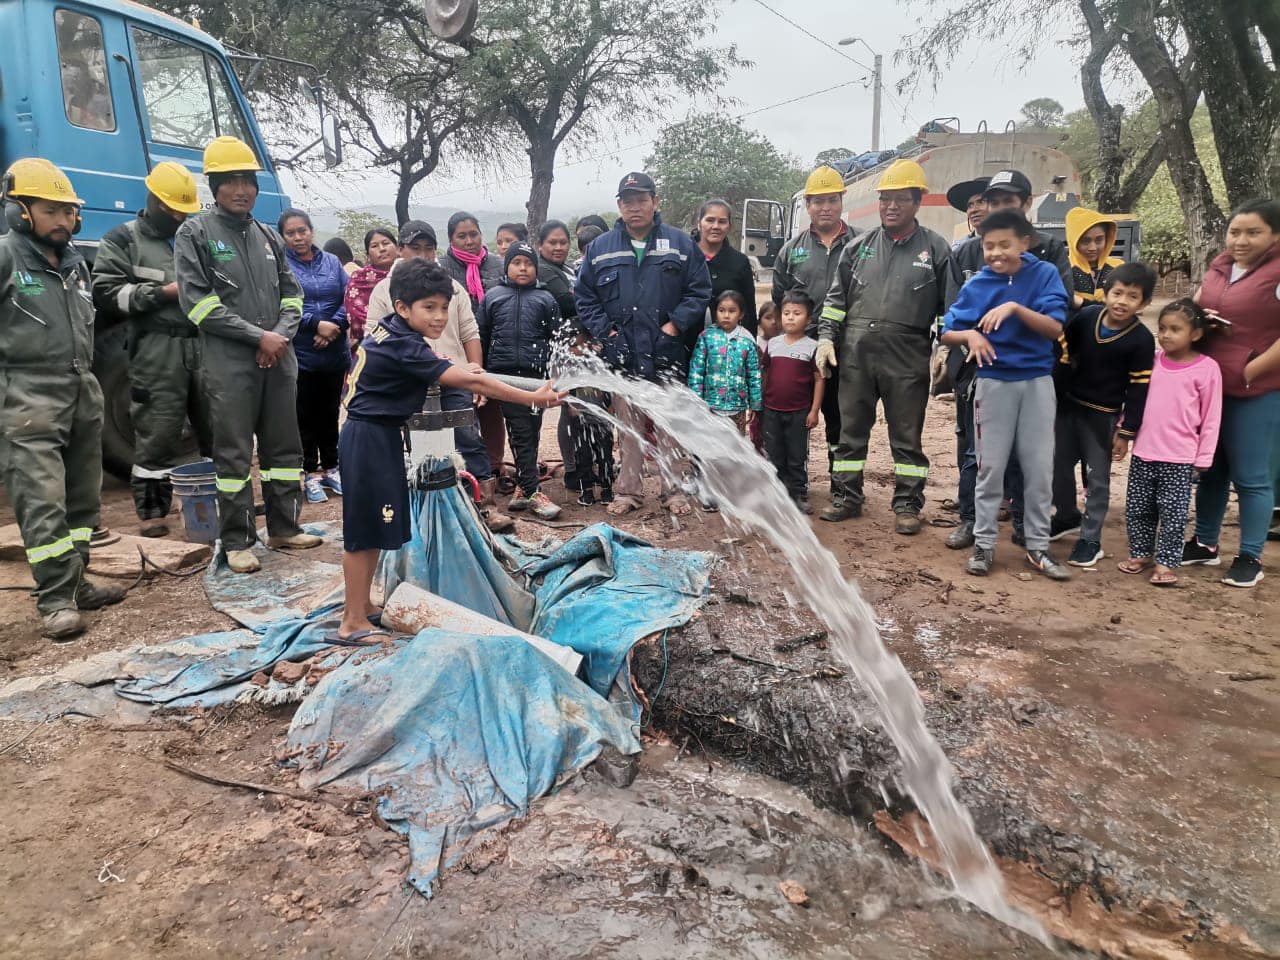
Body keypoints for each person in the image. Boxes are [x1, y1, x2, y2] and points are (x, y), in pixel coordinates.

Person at [336, 259, 563, 641]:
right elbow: (465, 380)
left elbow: (448, 367)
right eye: (429, 308)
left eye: (444, 306)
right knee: (362, 533)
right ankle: (350, 622)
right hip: (369, 440)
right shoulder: (405, 347)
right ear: (402, 307)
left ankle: (364, 606)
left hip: (377, 436)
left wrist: (463, 368)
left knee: (376, 526)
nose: (440, 317)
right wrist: (531, 396)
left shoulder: (391, 333)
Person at [174, 136, 320, 574]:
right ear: (215, 185)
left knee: (283, 450)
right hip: (229, 364)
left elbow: (292, 296)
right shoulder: (194, 233)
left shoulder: (267, 236)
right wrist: (258, 337)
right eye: (231, 181)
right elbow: (198, 305)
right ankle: (237, 540)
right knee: (234, 457)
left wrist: (277, 336)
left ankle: (284, 527)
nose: (242, 189)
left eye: (248, 180)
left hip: (278, 360)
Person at [0, 158, 125, 639]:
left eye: (69, 211)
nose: (64, 220)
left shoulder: (74, 264)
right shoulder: (8, 257)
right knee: (42, 500)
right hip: (26, 394)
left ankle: (77, 582)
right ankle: (54, 598)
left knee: (81, 501)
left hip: (80, 387)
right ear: (20, 210)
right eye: (51, 210)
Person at [816, 159, 951, 533]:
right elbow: (835, 301)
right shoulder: (858, 247)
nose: (891, 206)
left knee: (906, 436)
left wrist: (944, 346)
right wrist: (827, 337)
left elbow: (949, 308)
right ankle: (846, 497)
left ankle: (907, 504)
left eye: (901, 199)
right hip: (856, 352)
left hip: (907, 355)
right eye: (885, 199)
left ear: (918, 202)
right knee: (850, 431)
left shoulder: (936, 250)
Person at [942, 169, 1073, 551]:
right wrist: (968, 338)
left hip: (1035, 373)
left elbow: (1057, 319)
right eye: (992, 201)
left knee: (1032, 460)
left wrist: (1015, 309)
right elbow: (951, 316)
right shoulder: (969, 257)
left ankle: (1027, 531)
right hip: (982, 372)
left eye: (1007, 201)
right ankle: (974, 527)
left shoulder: (1048, 256)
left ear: (1026, 207)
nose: (996, 251)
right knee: (979, 455)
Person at [575, 171, 712, 517]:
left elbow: (699, 291)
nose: (634, 207)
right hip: (623, 355)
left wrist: (674, 325)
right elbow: (585, 297)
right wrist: (607, 333)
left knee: (669, 427)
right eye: (627, 201)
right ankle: (629, 492)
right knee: (629, 426)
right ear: (619, 205)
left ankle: (674, 492)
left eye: (641, 200)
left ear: (655, 202)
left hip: (666, 353)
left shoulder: (680, 245)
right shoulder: (601, 249)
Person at [365, 221, 513, 532]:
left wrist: (477, 374)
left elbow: (469, 332)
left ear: (436, 251)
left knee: (469, 439)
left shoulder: (451, 287)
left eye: (428, 248)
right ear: (401, 251)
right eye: (414, 248)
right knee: (420, 445)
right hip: (411, 383)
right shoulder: (386, 290)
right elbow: (374, 336)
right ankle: (428, 511)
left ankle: (485, 506)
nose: (421, 254)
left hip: (454, 376)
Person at [92, 161, 212, 539]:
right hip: (157, 348)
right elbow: (106, 294)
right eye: (174, 211)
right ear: (155, 202)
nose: (180, 218)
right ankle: (153, 513)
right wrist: (161, 293)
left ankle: (216, 502)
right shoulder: (123, 240)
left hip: (204, 344)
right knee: (156, 431)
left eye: (185, 212)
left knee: (217, 427)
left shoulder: (196, 236)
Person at [1185, 198, 1280, 588]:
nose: (1241, 240)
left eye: (1253, 233)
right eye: (1235, 232)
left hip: (1255, 391)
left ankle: (1250, 555)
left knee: (1252, 477)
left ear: (1274, 235)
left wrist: (1250, 370)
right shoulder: (1220, 266)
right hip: (1211, 387)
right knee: (1211, 471)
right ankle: (1206, 544)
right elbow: (1195, 306)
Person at [1051, 262, 1156, 567]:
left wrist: (1126, 432)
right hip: (1069, 406)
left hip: (1103, 417)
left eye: (1132, 296)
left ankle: (1090, 538)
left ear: (1144, 303)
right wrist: (1062, 375)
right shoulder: (1087, 317)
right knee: (1056, 466)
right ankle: (1067, 516)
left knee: (1097, 479)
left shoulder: (1141, 340)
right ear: (1106, 293)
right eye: (1117, 293)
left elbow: (1139, 388)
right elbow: (1062, 341)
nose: (1122, 301)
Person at [1119, 300, 1223, 587]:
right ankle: (1140, 554)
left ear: (1196, 334)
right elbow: (1134, 397)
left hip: (1180, 458)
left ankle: (1165, 563)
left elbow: (1211, 416)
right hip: (1144, 452)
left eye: (1175, 329)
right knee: (1138, 509)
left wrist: (1204, 457)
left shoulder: (1207, 369)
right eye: (1162, 328)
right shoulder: (1150, 361)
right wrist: (1123, 429)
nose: (1166, 335)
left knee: (1173, 514)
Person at [773, 166, 856, 476]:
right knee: (796, 420)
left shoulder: (861, 244)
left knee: (841, 420)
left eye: (832, 200)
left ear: (841, 201)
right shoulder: (791, 251)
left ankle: (843, 486)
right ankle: (798, 483)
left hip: (846, 348)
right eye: (818, 201)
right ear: (807, 205)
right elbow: (781, 302)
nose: (825, 207)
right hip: (802, 351)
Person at [478, 241, 563, 519]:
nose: (523, 268)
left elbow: (556, 340)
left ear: (536, 269)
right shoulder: (493, 296)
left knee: (532, 428)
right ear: (507, 266)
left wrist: (555, 374)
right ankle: (531, 491)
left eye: (528, 264)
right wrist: (483, 372)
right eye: (517, 263)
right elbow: (483, 334)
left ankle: (522, 490)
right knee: (520, 430)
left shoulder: (545, 299)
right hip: (504, 376)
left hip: (536, 375)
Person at [279, 208, 350, 504]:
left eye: (302, 231)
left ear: (311, 231)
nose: (298, 237)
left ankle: (331, 467)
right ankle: (309, 473)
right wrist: (313, 324)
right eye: (291, 233)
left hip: (333, 353)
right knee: (304, 416)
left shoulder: (332, 262)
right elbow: (281, 301)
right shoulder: (281, 265)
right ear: (283, 236)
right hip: (301, 354)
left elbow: (350, 297)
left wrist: (333, 326)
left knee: (330, 413)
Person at [441, 212, 507, 484]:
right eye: (462, 236)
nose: (469, 241)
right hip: (456, 349)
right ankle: (463, 471)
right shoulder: (441, 268)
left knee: (491, 408)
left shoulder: (498, 264)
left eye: (473, 234)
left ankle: (494, 467)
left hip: (493, 347)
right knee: (461, 410)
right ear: (451, 239)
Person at [761, 291, 825, 513]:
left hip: (799, 412)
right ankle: (778, 493)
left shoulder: (812, 347)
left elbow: (818, 379)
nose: (790, 318)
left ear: (808, 320)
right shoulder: (774, 344)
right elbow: (766, 372)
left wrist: (814, 410)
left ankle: (798, 493)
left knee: (797, 455)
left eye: (796, 313)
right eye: (786, 313)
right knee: (774, 453)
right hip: (771, 410)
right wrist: (759, 401)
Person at [687, 199, 757, 356]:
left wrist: (749, 349)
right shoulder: (684, 256)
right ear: (699, 223)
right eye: (710, 220)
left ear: (729, 226)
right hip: (686, 344)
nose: (716, 226)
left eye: (722, 221)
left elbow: (749, 310)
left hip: (727, 351)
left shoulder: (739, 262)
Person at [560, 316, 616, 506]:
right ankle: (587, 491)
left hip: (601, 418)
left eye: (578, 345)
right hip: (579, 419)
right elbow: (567, 392)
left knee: (605, 455)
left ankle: (607, 489)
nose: (574, 350)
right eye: (571, 346)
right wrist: (572, 407)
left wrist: (609, 407)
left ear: (589, 342)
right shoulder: (569, 366)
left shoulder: (600, 363)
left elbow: (609, 390)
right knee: (582, 456)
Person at [687, 290, 762, 433]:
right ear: (715, 312)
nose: (726, 315)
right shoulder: (706, 337)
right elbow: (696, 372)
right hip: (710, 407)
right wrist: (696, 402)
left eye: (732, 311)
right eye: (722, 310)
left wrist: (755, 404)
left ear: (741, 314)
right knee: (712, 447)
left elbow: (754, 374)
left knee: (736, 448)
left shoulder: (747, 340)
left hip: (737, 407)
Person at [344, 227, 398, 357]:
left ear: (397, 248)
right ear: (368, 255)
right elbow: (357, 316)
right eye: (375, 246)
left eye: (386, 243)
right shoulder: (359, 279)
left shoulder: (410, 275)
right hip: (370, 350)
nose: (382, 249)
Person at [1066, 207, 1123, 307]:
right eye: (1085, 241)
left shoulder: (1119, 268)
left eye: (1099, 240)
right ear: (1074, 241)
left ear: (1107, 239)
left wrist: (1080, 302)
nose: (1092, 248)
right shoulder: (1063, 270)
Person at [537, 219, 577, 319]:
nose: (558, 248)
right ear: (540, 245)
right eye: (552, 243)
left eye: (563, 243)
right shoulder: (541, 269)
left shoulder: (569, 267)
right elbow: (568, 303)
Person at [945, 177, 990, 245]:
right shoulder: (959, 249)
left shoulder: (1011, 244)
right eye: (970, 205)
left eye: (981, 202)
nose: (973, 210)